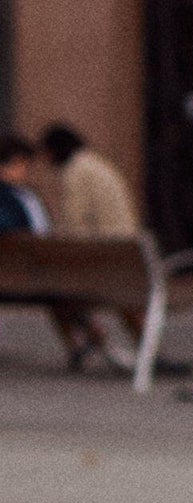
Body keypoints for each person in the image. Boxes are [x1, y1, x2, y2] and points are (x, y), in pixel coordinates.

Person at [39, 123, 140, 371]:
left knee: (57, 289)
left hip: (103, 260)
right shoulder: (96, 164)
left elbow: (75, 226)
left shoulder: (75, 171)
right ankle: (143, 348)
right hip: (124, 256)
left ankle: (84, 343)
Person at [0, 135, 51, 234]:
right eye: (18, 164)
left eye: (26, 164)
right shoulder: (3, 197)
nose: (24, 169)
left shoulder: (29, 194)